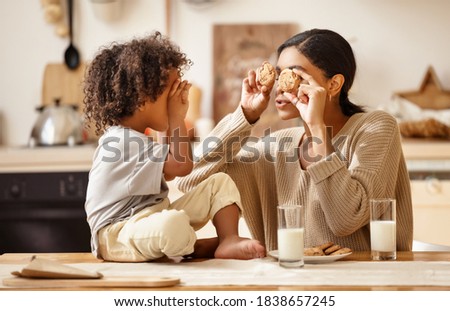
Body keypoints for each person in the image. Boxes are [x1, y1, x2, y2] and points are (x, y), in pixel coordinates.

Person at [177, 28, 413, 252]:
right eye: (279, 76)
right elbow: (190, 179)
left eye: (294, 75)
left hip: (365, 284)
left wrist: (316, 128)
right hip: (289, 283)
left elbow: (346, 219)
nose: (280, 86)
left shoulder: (375, 127)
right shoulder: (279, 146)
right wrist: (245, 115)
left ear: (334, 84)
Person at [83, 31, 265, 262]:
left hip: (152, 217)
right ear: (142, 99)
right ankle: (194, 248)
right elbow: (180, 166)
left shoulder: (133, 137)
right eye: (172, 92)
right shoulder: (122, 142)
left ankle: (228, 239)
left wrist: (170, 120)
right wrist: (177, 118)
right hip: (117, 233)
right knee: (173, 224)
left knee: (219, 183)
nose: (177, 99)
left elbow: (169, 171)